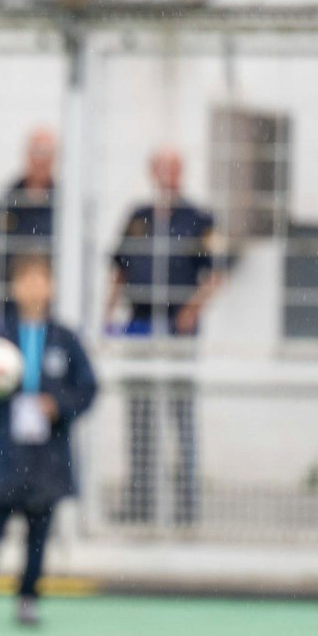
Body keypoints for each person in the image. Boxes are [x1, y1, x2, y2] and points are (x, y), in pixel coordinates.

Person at [0, 254, 96, 628]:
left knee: (39, 531)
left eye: (40, 280)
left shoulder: (65, 339)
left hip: (48, 454)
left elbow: (88, 388)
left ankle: (28, 597)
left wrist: (58, 406)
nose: (33, 288)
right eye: (25, 280)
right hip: (6, 452)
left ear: (51, 287)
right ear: (14, 288)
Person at [105, 146, 218, 526]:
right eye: (162, 167)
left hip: (176, 329)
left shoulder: (198, 219)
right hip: (140, 324)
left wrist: (192, 309)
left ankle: (187, 507)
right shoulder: (138, 217)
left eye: (174, 167)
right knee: (140, 417)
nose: (168, 174)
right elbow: (119, 270)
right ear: (152, 172)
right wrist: (108, 316)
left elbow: (215, 274)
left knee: (181, 416)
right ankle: (140, 502)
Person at [0, 126, 56, 327]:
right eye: (37, 152)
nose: (40, 161)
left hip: (52, 312)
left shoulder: (64, 206)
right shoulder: (8, 201)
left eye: (46, 154)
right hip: (7, 310)